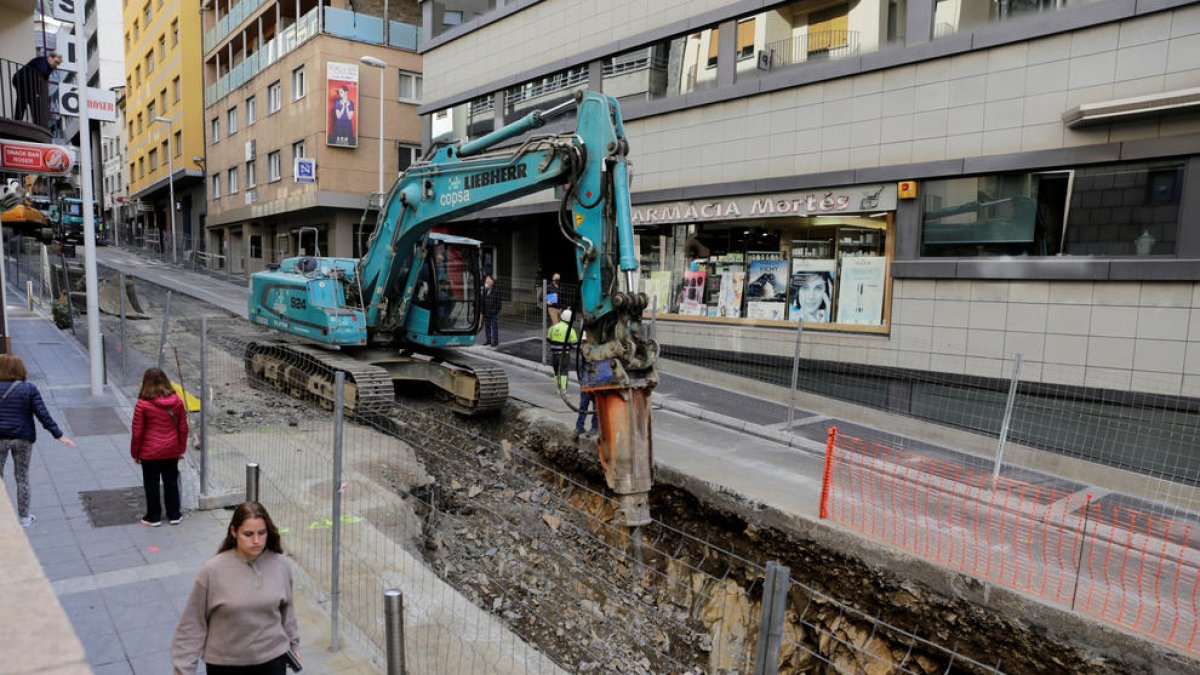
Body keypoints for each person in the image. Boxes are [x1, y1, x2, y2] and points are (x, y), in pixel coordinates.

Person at [172, 501, 300, 675]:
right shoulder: (212, 571)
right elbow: (191, 625)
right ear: (234, 532)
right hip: (226, 666)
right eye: (248, 534)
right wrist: (184, 669)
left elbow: (287, 611)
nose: (256, 541)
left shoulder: (280, 565)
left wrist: (294, 644)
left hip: (273, 661)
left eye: (262, 533)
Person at [0, 354, 76, 527]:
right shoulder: (29, 389)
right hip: (23, 439)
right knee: (22, 477)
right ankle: (24, 518)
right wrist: (59, 435)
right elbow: (43, 415)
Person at [131, 367, 188, 527]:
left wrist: (135, 453)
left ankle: (154, 516)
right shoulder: (177, 401)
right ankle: (174, 514)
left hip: (150, 453)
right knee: (171, 481)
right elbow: (183, 428)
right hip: (171, 449)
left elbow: (137, 433)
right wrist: (180, 448)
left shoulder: (142, 404)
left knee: (151, 483)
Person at [11, 52, 62, 127]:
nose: (56, 65)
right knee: (23, 100)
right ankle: (18, 122)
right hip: (21, 79)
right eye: (56, 62)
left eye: (58, 64)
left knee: (33, 103)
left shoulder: (49, 67)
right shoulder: (42, 60)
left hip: (29, 85)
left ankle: (36, 125)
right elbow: (42, 71)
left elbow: (43, 79)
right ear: (50, 58)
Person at [573, 332, 599, 440]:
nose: (584, 344)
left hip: (595, 381)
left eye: (585, 341)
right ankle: (580, 427)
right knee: (583, 404)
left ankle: (594, 427)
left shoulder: (597, 351)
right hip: (586, 381)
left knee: (595, 406)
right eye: (583, 342)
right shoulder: (585, 351)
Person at [546, 308, 578, 391]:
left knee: (557, 372)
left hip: (554, 354)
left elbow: (548, 340)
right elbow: (575, 345)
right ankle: (563, 390)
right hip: (564, 355)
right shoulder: (571, 330)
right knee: (563, 372)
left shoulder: (553, 328)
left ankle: (558, 388)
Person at [481, 275, 502, 346]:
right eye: (485, 282)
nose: (485, 283)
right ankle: (488, 340)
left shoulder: (496, 292)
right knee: (487, 326)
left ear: (491, 283)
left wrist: (495, 311)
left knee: (494, 327)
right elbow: (483, 301)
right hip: (486, 312)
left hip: (493, 313)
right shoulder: (485, 291)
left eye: (487, 282)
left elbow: (499, 304)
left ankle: (495, 341)